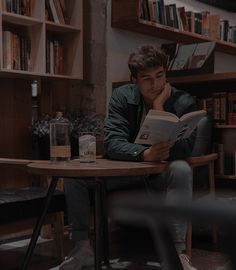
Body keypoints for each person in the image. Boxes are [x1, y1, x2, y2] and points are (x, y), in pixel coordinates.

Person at [49, 44, 198, 270]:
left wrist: (159, 108)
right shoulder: (122, 97)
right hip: (125, 173)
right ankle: (82, 248)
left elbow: (186, 147)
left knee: (182, 169)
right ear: (134, 81)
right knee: (75, 173)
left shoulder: (183, 101)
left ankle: (177, 253)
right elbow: (113, 142)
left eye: (160, 76)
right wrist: (144, 153)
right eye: (147, 79)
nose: (156, 84)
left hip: (159, 175)